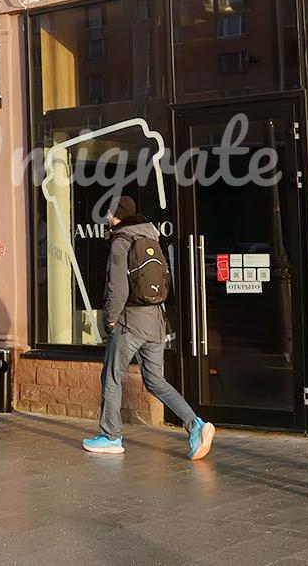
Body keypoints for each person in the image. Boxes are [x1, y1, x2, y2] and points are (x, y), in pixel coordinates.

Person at [82, 196, 216, 460]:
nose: (107, 217)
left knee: (111, 376)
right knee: (156, 380)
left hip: (130, 322)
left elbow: (118, 287)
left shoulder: (121, 241)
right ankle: (196, 425)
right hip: (155, 321)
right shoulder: (151, 238)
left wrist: (110, 319)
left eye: (110, 213)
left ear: (118, 216)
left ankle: (110, 436)